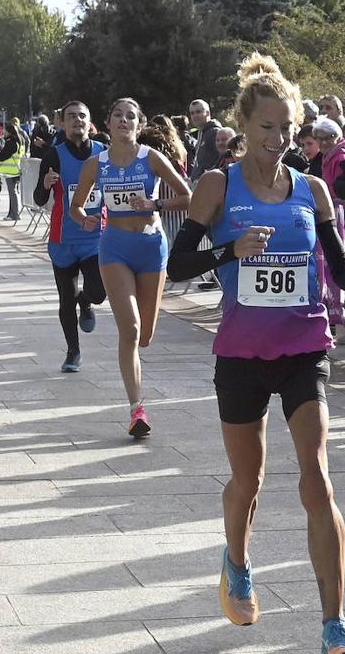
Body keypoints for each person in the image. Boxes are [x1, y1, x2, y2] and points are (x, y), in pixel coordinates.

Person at [167, 53, 345, 654]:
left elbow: (342, 270)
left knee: (317, 476)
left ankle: (335, 628)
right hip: (241, 354)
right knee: (249, 481)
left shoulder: (312, 189)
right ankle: (236, 562)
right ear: (244, 125)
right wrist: (227, 249)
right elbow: (176, 266)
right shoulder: (217, 185)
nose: (278, 139)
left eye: (288, 129)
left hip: (303, 349)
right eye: (267, 127)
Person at [70, 97, 192, 437]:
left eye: (130, 116)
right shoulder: (96, 165)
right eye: (117, 115)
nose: (124, 121)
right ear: (107, 123)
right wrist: (85, 220)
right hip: (114, 248)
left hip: (151, 247)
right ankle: (136, 408)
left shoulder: (151, 158)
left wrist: (155, 203)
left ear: (139, 125)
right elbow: (76, 206)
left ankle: (136, 395)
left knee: (147, 337)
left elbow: (188, 197)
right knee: (131, 330)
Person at [33, 101, 109, 373]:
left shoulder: (104, 153)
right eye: (70, 117)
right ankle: (73, 352)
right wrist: (44, 185)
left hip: (95, 237)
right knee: (66, 297)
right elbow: (39, 199)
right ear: (62, 124)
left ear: (89, 122)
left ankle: (86, 301)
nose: (76, 120)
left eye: (81, 116)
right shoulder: (54, 155)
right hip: (63, 239)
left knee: (99, 293)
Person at [0, 121, 25, 215]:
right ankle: (12, 213)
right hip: (17, 168)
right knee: (14, 192)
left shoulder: (11, 142)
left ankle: (14, 213)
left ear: (9, 132)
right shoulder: (20, 140)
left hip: (11, 171)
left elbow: (5, 155)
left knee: (13, 192)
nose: (4, 132)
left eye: (5, 131)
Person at [188, 98, 223, 176]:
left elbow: (222, 160)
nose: (195, 116)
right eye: (192, 113)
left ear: (207, 113)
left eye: (198, 112)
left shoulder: (215, 132)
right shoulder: (201, 133)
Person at [315, 117, 345, 196]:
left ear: (339, 137)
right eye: (320, 138)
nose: (324, 142)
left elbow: (337, 190)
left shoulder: (341, 158)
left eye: (328, 138)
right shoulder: (327, 156)